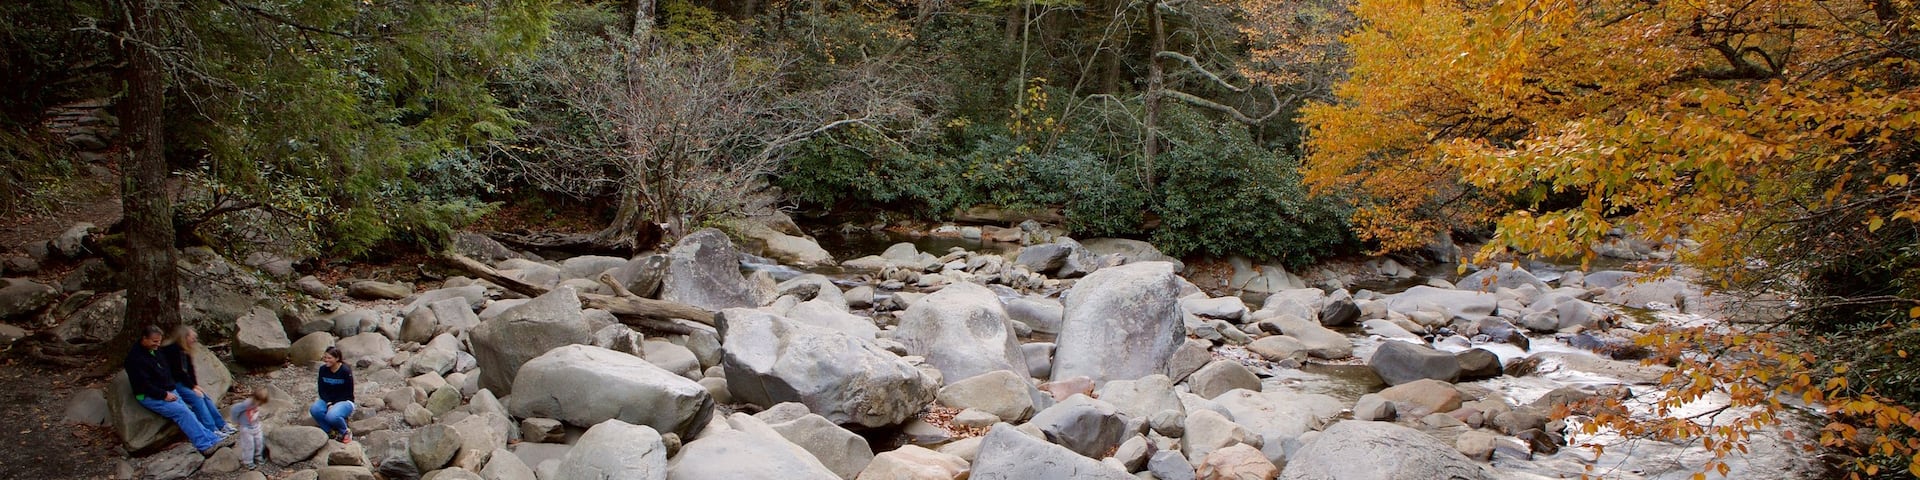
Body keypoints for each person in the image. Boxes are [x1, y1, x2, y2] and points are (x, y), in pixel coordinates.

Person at [124, 325, 226, 454]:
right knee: (182, 413)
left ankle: (213, 439)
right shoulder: (135, 359)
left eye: (159, 341)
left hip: (169, 390)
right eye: (154, 341)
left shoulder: (156, 351)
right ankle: (205, 445)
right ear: (144, 338)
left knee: (189, 412)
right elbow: (142, 385)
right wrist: (163, 395)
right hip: (150, 396)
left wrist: (177, 387)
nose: (157, 344)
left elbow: (169, 370)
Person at [160, 325, 232, 436]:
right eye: (192, 337)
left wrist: (196, 385)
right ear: (184, 337)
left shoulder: (185, 350)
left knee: (204, 396)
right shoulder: (172, 350)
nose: (194, 340)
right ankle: (211, 429)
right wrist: (192, 387)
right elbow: (178, 372)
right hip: (173, 384)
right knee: (196, 398)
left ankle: (221, 425)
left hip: (182, 382)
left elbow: (190, 370)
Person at [310, 346, 355, 443]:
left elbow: (348, 392)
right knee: (315, 409)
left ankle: (345, 431)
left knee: (331, 415)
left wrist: (334, 405)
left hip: (345, 401)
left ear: (337, 358)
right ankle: (330, 431)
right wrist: (329, 403)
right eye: (325, 357)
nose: (326, 360)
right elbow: (321, 390)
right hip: (328, 400)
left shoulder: (345, 371)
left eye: (329, 358)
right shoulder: (323, 369)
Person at [226, 388, 270, 470]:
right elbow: (234, 409)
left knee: (259, 442)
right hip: (246, 428)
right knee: (249, 445)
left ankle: (258, 456)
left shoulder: (257, 404)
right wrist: (236, 420)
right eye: (260, 402)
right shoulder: (246, 404)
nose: (260, 404)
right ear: (255, 399)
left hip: (256, 426)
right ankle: (248, 461)